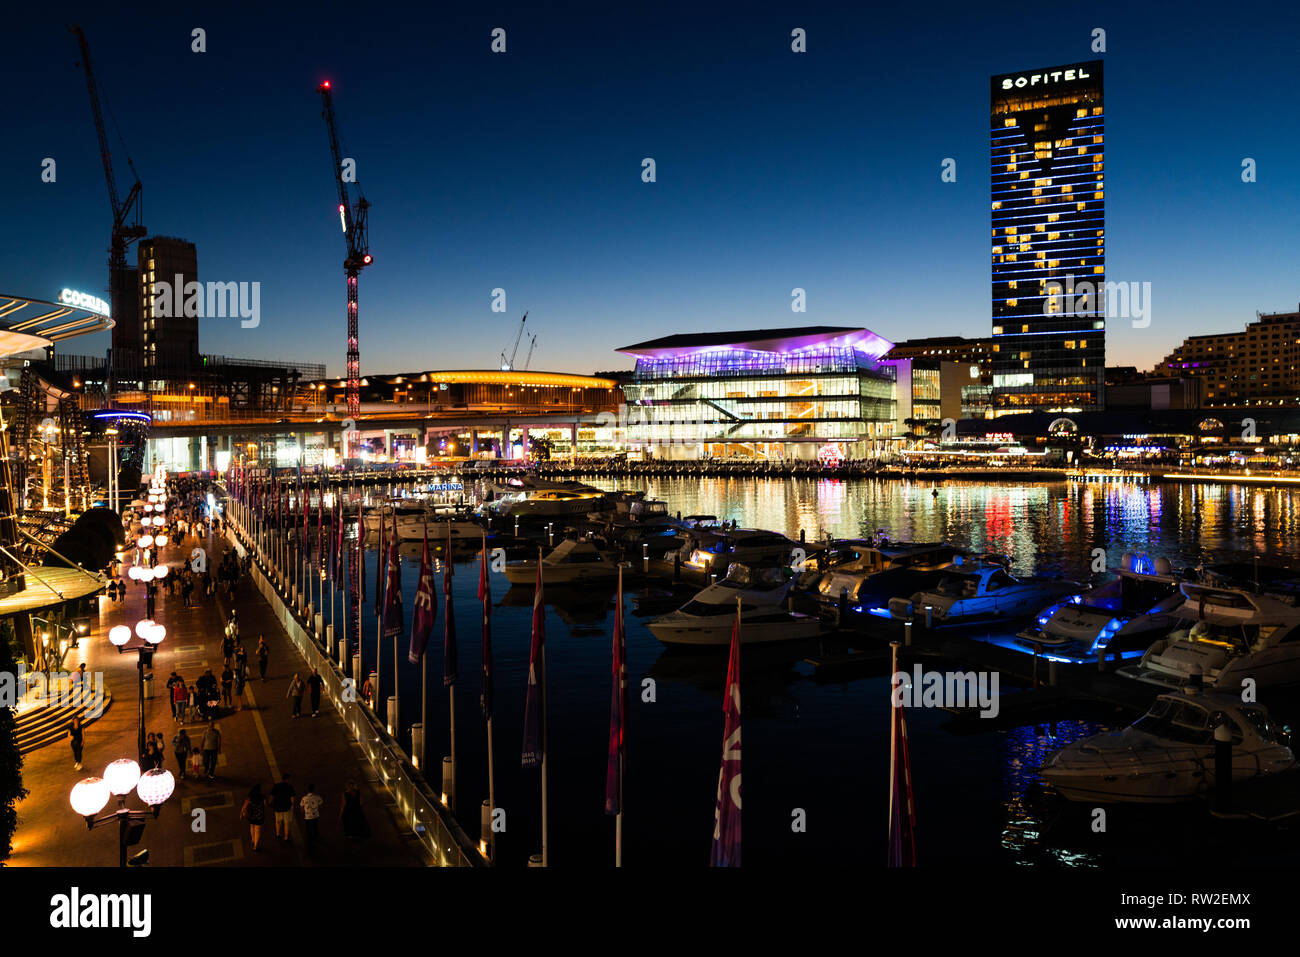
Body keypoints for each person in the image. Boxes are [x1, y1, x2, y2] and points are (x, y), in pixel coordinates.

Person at [270, 773, 296, 842]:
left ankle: (278, 834)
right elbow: (292, 798)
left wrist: (271, 804)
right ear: (287, 779)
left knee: (278, 821)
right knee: (286, 823)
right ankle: (286, 837)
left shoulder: (276, 786)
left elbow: (272, 796)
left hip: (277, 807)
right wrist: (292, 806)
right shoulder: (290, 787)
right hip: (287, 807)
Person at [241, 784, 268, 850]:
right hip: (259, 816)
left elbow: (244, 807)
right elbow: (266, 804)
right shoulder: (262, 796)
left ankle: (253, 840)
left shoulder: (250, 797)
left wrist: (241, 814)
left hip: (251, 816)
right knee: (257, 831)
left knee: (252, 827)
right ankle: (255, 845)